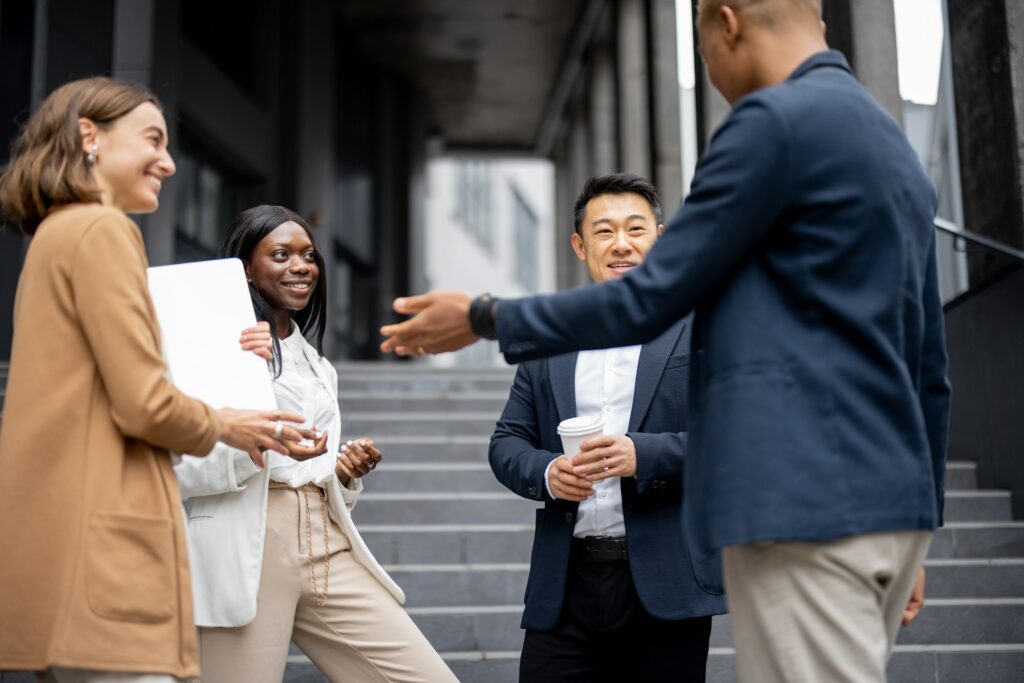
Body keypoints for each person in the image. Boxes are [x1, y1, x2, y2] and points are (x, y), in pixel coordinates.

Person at [379, 1, 949, 681]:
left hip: (801, 504)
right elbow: (928, 369)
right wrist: (920, 528)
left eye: (702, 47)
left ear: (726, 23)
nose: (708, 68)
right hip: (888, 509)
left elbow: (649, 298)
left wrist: (482, 315)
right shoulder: (891, 145)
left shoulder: (770, 125)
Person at [0, 77, 305, 683]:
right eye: (153, 140)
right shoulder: (102, 229)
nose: (168, 162)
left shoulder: (55, 235)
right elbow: (141, 401)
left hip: (57, 536)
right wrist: (228, 422)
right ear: (89, 137)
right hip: (105, 542)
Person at [173, 205, 458, 683]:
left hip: (324, 542)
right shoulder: (217, 347)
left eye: (308, 255)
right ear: (245, 268)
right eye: (280, 254)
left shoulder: (318, 366)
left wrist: (342, 474)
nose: (301, 266)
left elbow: (311, 468)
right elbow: (177, 462)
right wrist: (261, 444)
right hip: (249, 540)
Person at [490, 174, 726, 683]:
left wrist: (645, 456)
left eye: (635, 229)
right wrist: (549, 471)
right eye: (603, 232)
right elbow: (506, 441)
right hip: (564, 585)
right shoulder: (548, 338)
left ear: (659, 237)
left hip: (666, 584)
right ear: (579, 244)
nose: (621, 244)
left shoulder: (703, 327)